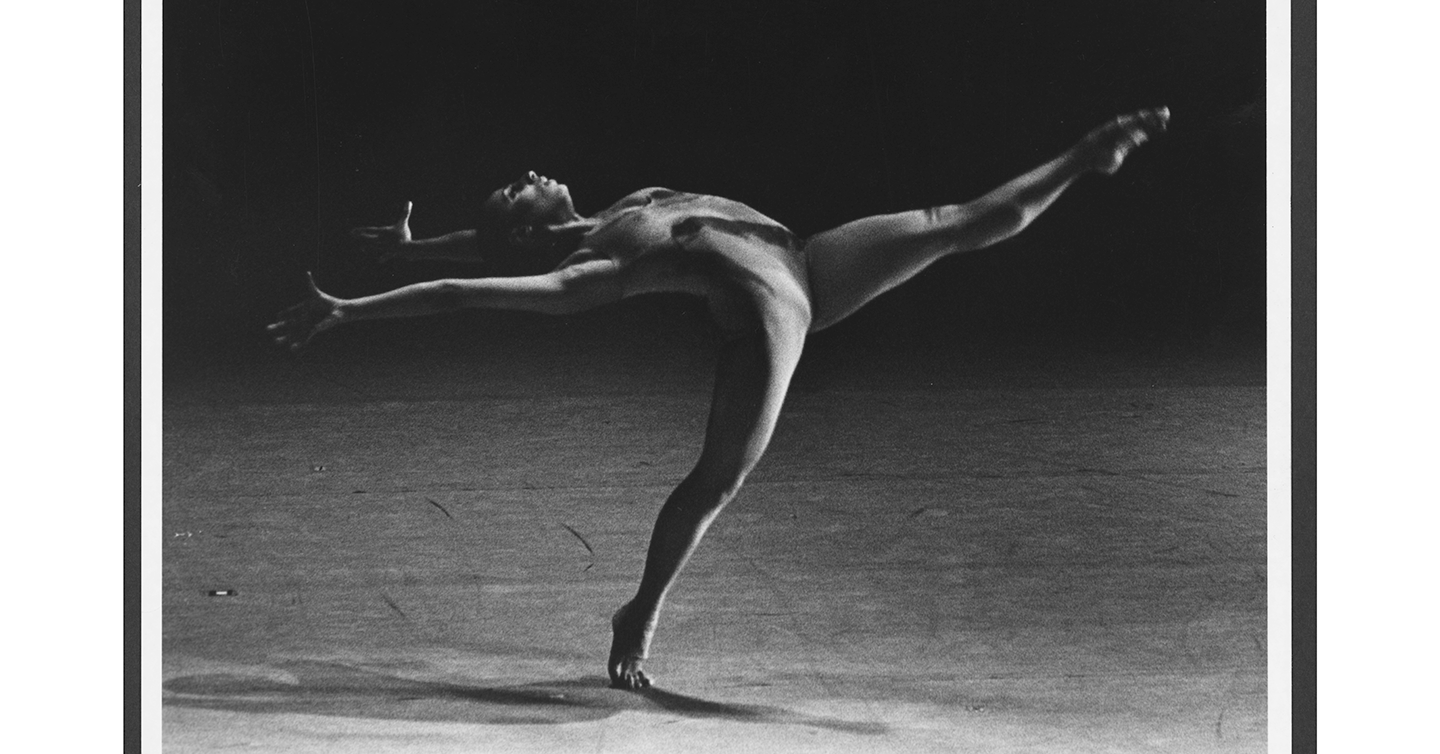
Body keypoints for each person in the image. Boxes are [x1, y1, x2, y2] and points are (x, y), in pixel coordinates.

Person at [269, 108, 1171, 690]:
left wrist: (414, 245)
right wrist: (353, 308)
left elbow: (480, 247)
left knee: (952, 225)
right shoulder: (594, 270)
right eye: (520, 186)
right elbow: (472, 290)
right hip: (772, 315)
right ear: (533, 220)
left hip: (805, 258)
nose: (531, 168)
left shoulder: (621, 206)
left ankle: (1087, 156)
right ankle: (642, 610)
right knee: (716, 482)